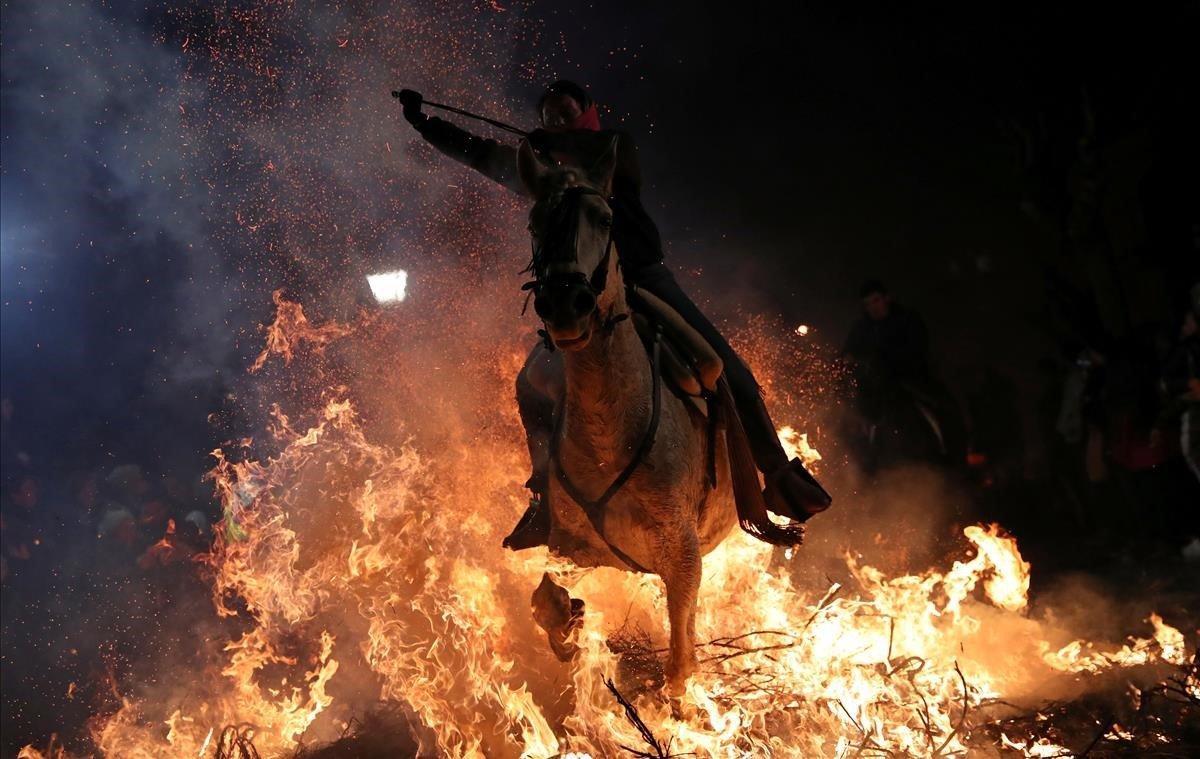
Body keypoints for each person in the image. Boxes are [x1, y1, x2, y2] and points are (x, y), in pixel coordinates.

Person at [396, 82, 830, 549]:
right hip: (586, 294)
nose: (557, 118)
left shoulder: (613, 150)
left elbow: (601, 150)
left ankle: (779, 479)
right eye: (549, 113)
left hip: (644, 279)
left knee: (728, 371)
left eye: (565, 110)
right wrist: (426, 125)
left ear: (586, 112)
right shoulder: (544, 171)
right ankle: (543, 499)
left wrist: (548, 143)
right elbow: (482, 154)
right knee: (531, 385)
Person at [842, 279, 964, 471]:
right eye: (867, 304)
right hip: (876, 386)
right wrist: (850, 361)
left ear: (887, 298)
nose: (873, 307)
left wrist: (891, 361)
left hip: (912, 379)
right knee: (855, 418)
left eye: (876, 301)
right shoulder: (861, 328)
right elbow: (848, 353)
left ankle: (953, 456)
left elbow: (918, 348)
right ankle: (862, 466)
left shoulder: (907, 319)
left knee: (944, 407)